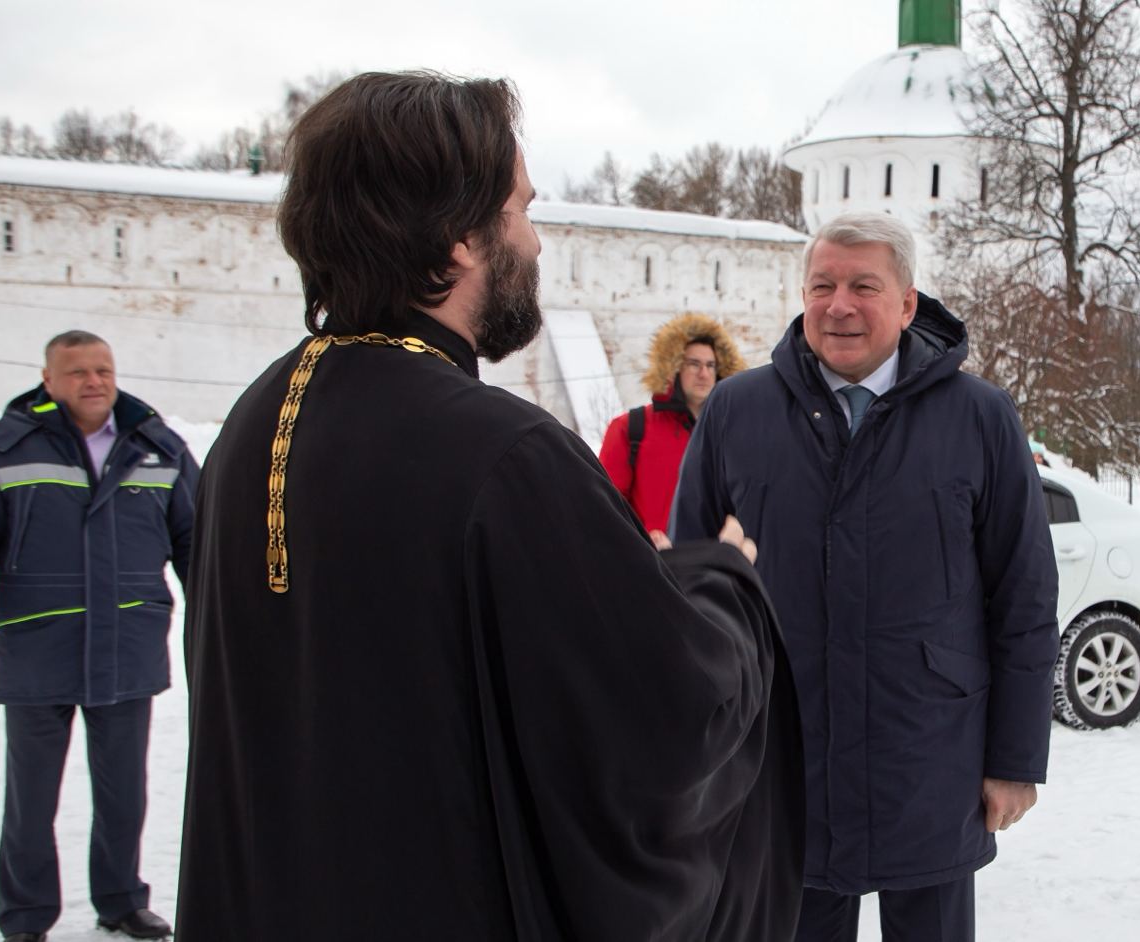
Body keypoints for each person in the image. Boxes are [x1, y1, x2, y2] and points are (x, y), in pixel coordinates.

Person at [174, 72, 805, 941]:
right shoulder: (503, 453)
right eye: (520, 211)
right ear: (457, 238)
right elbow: (664, 717)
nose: (536, 242)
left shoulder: (257, 416)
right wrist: (725, 582)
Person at [671, 212, 1059, 942]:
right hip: (785, 763)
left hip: (932, 756)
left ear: (907, 303)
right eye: (822, 285)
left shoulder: (980, 417)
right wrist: (697, 753)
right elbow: (690, 586)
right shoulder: (736, 411)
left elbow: (1025, 595)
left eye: (862, 286)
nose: (838, 305)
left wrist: (1014, 758)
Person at [0, 331, 197, 942]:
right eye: (77, 371)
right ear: (48, 380)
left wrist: (222, 621)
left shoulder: (158, 449)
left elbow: (201, 541)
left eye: (103, 369)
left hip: (127, 645)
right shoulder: (2, 450)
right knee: (31, 797)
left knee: (125, 792)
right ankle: (26, 916)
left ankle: (121, 900)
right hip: (37, 646)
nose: (94, 381)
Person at [598, 313, 744, 537]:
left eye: (711, 365)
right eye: (693, 364)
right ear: (673, 368)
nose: (704, 374)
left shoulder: (732, 434)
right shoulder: (631, 428)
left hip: (714, 565)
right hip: (652, 563)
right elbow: (604, 508)